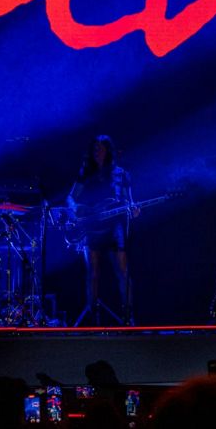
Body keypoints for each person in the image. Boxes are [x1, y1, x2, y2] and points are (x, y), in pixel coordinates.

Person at [68, 135, 135, 325]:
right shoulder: (85, 173)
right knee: (93, 274)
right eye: (95, 149)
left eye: (101, 148)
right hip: (92, 229)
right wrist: (79, 210)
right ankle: (93, 319)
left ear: (108, 151)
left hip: (115, 228)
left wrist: (134, 209)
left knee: (124, 272)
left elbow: (130, 201)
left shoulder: (121, 174)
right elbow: (71, 199)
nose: (98, 152)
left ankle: (129, 318)